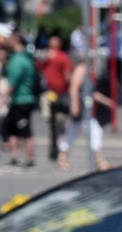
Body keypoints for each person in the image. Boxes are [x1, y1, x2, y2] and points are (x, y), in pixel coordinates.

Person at [58, 57, 114, 171]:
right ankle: (100, 162)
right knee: (93, 132)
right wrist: (75, 105)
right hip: (81, 109)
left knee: (73, 134)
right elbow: (73, 88)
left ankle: (62, 159)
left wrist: (107, 101)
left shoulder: (88, 72)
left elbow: (92, 93)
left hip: (85, 110)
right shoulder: (81, 69)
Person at [3, 35, 37, 167]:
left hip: (22, 99)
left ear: (16, 41)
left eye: (10, 39)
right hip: (19, 99)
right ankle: (15, 156)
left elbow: (13, 81)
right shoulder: (26, 57)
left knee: (25, 130)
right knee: (12, 129)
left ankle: (30, 158)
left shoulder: (18, 60)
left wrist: (3, 96)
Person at [38, 33, 72, 163]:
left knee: (61, 122)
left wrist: (69, 88)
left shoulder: (63, 57)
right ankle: (53, 148)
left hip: (61, 93)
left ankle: (59, 146)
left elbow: (67, 73)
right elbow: (39, 65)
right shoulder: (47, 56)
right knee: (50, 121)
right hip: (49, 92)